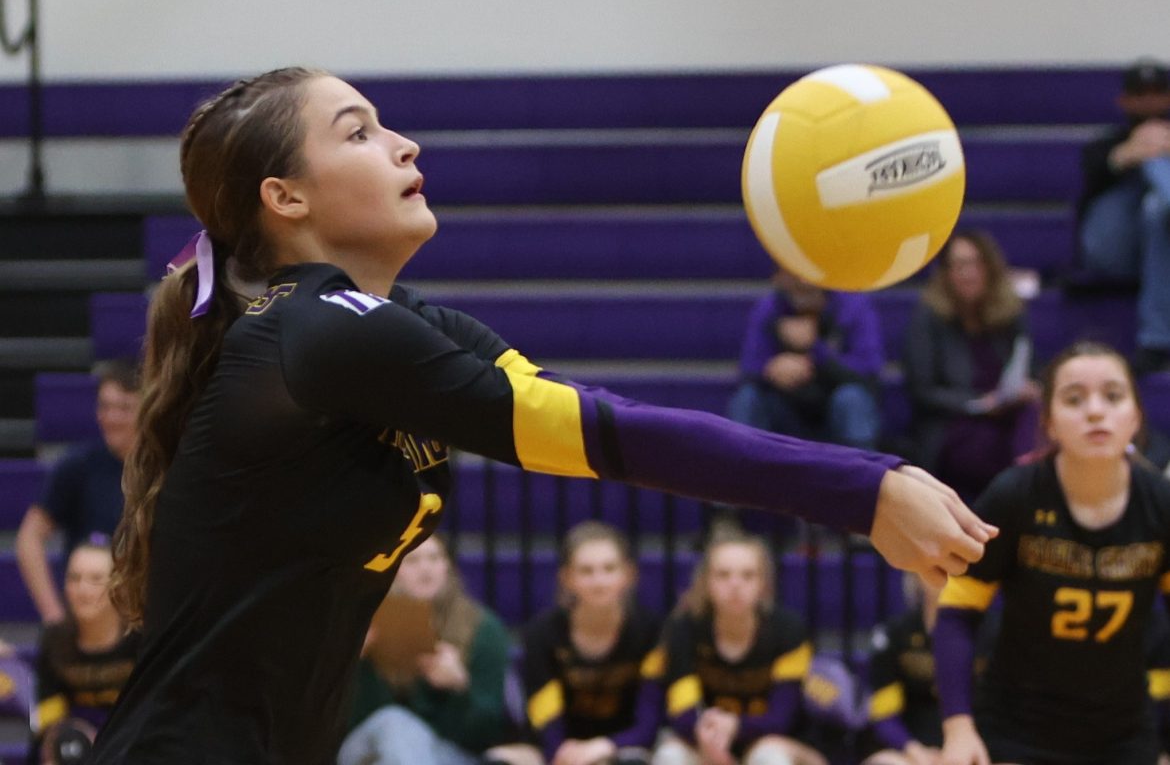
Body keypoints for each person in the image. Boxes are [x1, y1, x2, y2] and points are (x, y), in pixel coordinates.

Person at [87, 67, 992, 764]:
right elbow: (609, 438)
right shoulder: (309, 334)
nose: (403, 144)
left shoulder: (399, 332)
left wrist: (869, 485)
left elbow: (599, 420)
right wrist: (867, 487)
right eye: (358, 132)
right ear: (285, 198)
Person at [935, 340, 1170, 765]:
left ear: (1135, 417)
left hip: (1124, 737)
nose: (1095, 411)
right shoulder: (1014, 496)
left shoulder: (1161, 506)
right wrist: (958, 726)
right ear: (1049, 423)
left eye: (1113, 396)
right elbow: (956, 614)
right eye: (1074, 398)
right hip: (1014, 732)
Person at [654, 527, 827, 765]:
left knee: (769, 757)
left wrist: (735, 725)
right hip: (704, 739)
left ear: (763, 584)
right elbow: (683, 714)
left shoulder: (789, 631)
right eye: (723, 575)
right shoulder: (683, 628)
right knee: (670, 755)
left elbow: (782, 718)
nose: (735, 584)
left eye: (747, 575)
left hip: (775, 740)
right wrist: (712, 736)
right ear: (706, 582)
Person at [338, 534, 512, 765]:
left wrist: (458, 687)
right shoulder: (362, 626)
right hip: (365, 745)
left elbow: (486, 735)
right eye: (412, 560)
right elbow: (328, 726)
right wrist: (356, 663)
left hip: (449, 753)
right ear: (393, 568)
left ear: (447, 566)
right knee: (394, 724)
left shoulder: (481, 628)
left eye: (435, 558)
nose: (425, 568)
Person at [901, 230, 1039, 503]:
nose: (969, 272)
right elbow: (922, 390)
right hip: (954, 423)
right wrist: (978, 404)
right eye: (960, 265)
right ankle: (1017, 504)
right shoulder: (928, 319)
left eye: (976, 263)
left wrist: (1029, 389)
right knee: (987, 446)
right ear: (946, 273)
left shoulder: (1010, 316)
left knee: (1035, 415)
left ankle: (1029, 496)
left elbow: (1028, 369)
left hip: (1006, 415)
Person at [520, 521, 663, 765]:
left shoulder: (652, 631)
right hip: (563, 752)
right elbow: (545, 719)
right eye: (586, 571)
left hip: (627, 748)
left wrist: (604, 746)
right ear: (566, 578)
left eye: (609, 569)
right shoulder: (541, 634)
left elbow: (649, 722)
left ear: (629, 574)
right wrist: (566, 754)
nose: (599, 581)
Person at [16, 359, 140, 624]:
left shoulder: (166, 468)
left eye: (124, 408)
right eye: (104, 407)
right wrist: (54, 616)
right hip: (89, 624)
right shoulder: (80, 466)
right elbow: (29, 538)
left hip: (145, 620)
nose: (111, 417)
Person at [1077, 58, 1170, 373]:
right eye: (1140, 94)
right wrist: (1131, 153)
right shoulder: (1104, 145)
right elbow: (1092, 178)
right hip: (1114, 253)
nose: (1149, 102)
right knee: (1153, 176)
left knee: (1157, 209)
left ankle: (1156, 340)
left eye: (1157, 93)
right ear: (1124, 100)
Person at [726, 267, 884, 450]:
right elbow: (748, 368)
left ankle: (863, 474)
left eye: (809, 274)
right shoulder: (768, 307)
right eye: (792, 274)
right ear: (777, 277)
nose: (803, 282)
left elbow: (868, 372)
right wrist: (771, 369)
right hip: (786, 411)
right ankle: (743, 472)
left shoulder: (853, 306)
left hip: (833, 410)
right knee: (747, 398)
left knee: (852, 399)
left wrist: (816, 352)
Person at [31, 535, 140, 764]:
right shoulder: (55, 640)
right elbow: (47, 719)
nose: (82, 589)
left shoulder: (140, 638)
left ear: (118, 584)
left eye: (95, 579)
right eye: (74, 578)